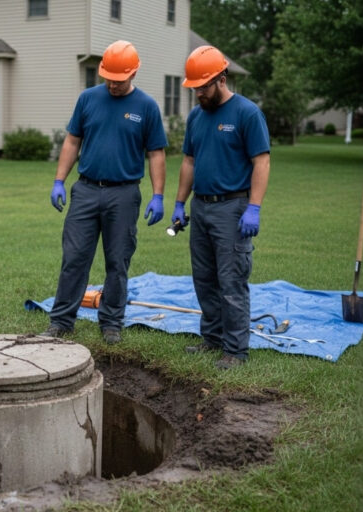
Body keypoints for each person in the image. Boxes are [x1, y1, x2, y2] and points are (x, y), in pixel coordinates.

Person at [41, 40, 167, 345]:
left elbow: (156, 153)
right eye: (108, 77)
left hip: (123, 194)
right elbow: (72, 141)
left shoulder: (146, 106)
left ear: (133, 73)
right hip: (85, 190)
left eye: (118, 79)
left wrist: (158, 195)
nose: (112, 84)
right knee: (74, 258)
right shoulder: (88, 99)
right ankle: (61, 321)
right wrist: (59, 180)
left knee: (117, 261)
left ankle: (111, 323)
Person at [171, 45, 271, 369]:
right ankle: (212, 339)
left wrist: (253, 207)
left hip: (232, 208)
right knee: (204, 278)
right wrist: (179, 203)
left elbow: (261, 162)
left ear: (222, 79)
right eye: (195, 88)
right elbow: (189, 161)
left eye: (203, 86)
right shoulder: (196, 116)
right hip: (201, 207)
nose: (198, 93)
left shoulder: (247, 113)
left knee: (231, 281)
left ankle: (236, 351)